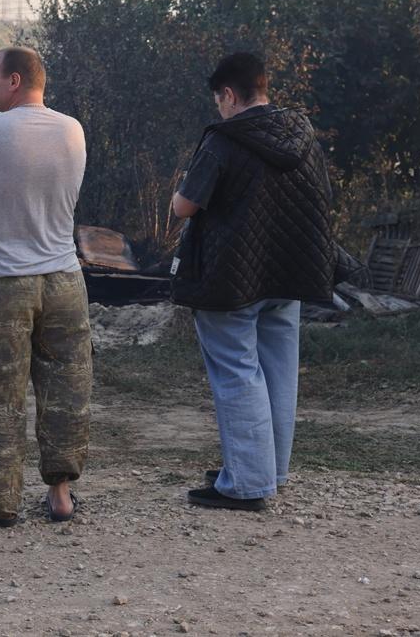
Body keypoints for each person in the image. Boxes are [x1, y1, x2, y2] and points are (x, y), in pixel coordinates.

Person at [171, 52, 333, 511]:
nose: (218, 109)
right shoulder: (303, 135)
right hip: (292, 272)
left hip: (231, 277)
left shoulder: (225, 138)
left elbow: (185, 206)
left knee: (237, 371)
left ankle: (246, 483)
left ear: (228, 94)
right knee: (279, 373)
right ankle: (269, 469)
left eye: (218, 101)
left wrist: (179, 191)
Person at [0, 46, 92, 526]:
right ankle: (61, 494)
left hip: (5, 281)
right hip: (66, 279)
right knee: (66, 387)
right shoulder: (72, 129)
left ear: (15, 81)